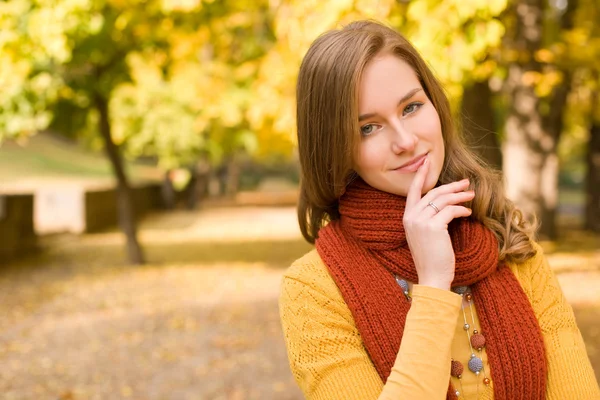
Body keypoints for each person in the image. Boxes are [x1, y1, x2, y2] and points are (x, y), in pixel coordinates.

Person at [278, 20, 600, 400]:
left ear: (435, 104)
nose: (406, 140)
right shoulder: (313, 290)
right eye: (368, 128)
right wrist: (432, 281)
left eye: (411, 107)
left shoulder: (507, 240)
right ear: (335, 147)